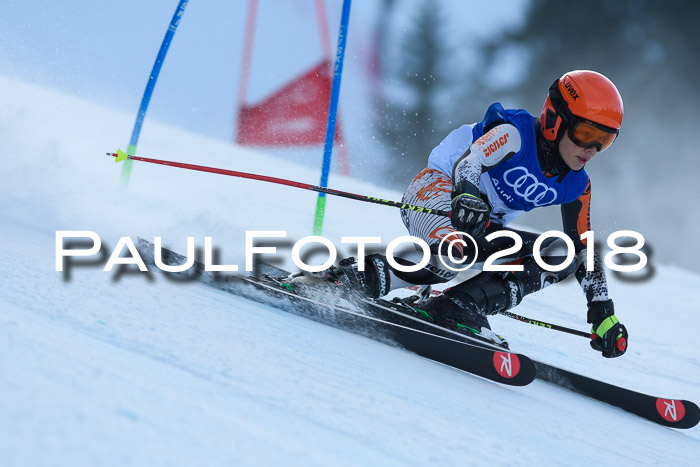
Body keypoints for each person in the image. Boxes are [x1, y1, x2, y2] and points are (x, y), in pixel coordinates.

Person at [320, 70, 628, 358]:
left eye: (606, 140)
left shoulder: (577, 185)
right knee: (456, 249)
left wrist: (601, 309)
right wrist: (466, 193)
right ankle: (354, 278)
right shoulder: (515, 134)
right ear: (554, 120)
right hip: (435, 192)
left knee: (561, 254)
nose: (592, 149)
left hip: (482, 228)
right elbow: (471, 162)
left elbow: (583, 246)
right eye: (587, 133)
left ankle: (457, 306)